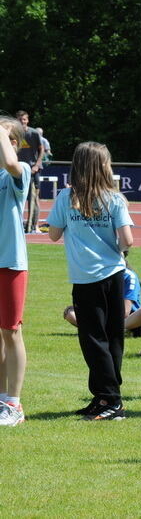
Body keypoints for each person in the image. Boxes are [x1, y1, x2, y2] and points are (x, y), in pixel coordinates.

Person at [48, 142, 133, 421]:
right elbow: (127, 240)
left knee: (93, 338)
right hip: (113, 273)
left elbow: (53, 234)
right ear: (103, 167)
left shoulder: (66, 197)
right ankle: (104, 396)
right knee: (112, 337)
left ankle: (110, 399)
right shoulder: (115, 199)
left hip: (85, 277)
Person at [0, 116, 30, 427]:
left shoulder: (18, 173)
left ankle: (14, 404)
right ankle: (1, 400)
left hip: (10, 263)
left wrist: (4, 129)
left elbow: (10, 162)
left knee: (11, 332)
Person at [63, 252, 141, 337]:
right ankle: (109, 330)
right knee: (70, 312)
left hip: (129, 320)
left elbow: (125, 312)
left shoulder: (129, 276)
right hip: (104, 318)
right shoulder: (98, 275)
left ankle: (108, 330)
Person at [15, 111, 43, 234]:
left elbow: (42, 150)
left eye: (24, 120)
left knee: (34, 198)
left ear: (28, 120)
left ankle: (34, 225)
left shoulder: (34, 133)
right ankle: (17, 224)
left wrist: (37, 165)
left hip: (33, 170)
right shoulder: (14, 134)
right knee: (16, 196)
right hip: (18, 169)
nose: (22, 122)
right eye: (20, 120)